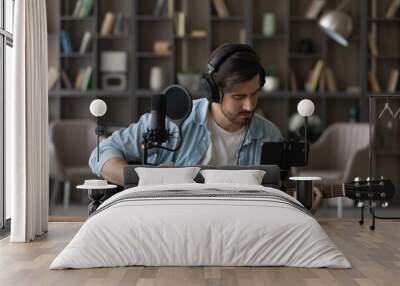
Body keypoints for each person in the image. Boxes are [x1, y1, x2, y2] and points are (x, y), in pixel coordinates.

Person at [88, 43, 323, 213]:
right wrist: (147, 179)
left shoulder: (269, 134)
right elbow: (101, 154)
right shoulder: (174, 119)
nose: (250, 105)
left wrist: (301, 200)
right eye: (239, 96)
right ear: (213, 92)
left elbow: (279, 193)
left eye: (255, 94)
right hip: (172, 221)